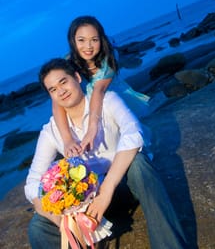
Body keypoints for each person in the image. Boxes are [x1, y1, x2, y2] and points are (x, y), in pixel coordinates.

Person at [25, 58, 187, 249]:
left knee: (139, 163)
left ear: (77, 77)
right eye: (53, 89)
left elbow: (134, 133)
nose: (61, 91)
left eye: (63, 82)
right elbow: (33, 183)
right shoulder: (51, 131)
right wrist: (59, 219)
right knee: (37, 227)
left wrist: (106, 190)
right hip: (87, 207)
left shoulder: (107, 100)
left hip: (124, 187)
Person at [53, 15, 152, 158]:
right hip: (87, 103)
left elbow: (98, 91)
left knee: (122, 130)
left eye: (94, 40)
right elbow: (57, 102)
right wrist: (67, 139)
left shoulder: (109, 56)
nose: (88, 47)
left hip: (111, 97)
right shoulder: (67, 63)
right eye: (81, 40)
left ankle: (138, 153)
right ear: (73, 41)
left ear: (101, 39)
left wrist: (92, 128)